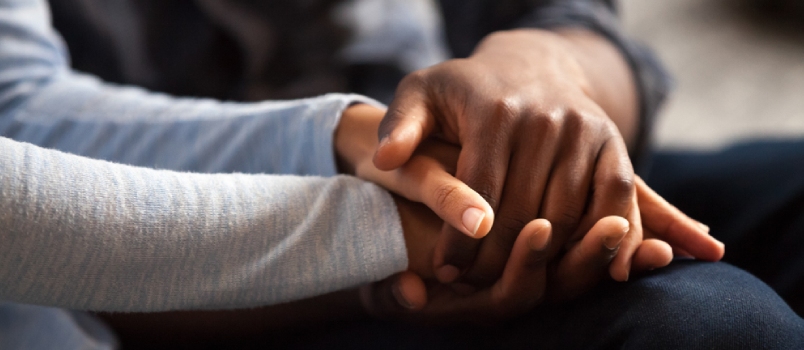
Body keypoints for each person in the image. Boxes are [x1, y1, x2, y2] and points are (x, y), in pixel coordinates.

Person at [0, 0, 801, 349]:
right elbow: (23, 129)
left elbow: (569, 20)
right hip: (190, 259)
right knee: (705, 326)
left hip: (449, 179)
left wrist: (544, 75)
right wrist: (389, 218)